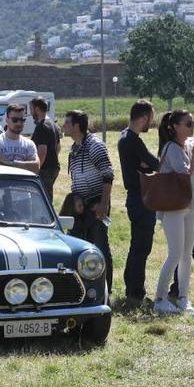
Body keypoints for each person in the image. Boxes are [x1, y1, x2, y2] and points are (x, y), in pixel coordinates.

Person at [152, 110, 194, 314]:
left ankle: (183, 297)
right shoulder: (171, 147)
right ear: (175, 127)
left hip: (189, 205)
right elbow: (184, 175)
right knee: (174, 253)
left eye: (192, 122)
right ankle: (159, 298)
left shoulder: (187, 146)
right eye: (188, 123)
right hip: (173, 206)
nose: (192, 126)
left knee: (186, 254)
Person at [64, 110, 115, 292]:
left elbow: (108, 175)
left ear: (77, 126)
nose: (64, 126)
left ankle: (104, 290)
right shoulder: (75, 148)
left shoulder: (95, 146)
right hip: (80, 206)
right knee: (79, 248)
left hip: (96, 204)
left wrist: (103, 204)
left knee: (99, 246)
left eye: (67, 123)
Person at [117, 99, 160, 304]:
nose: (150, 123)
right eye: (150, 119)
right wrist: (147, 166)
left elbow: (147, 163)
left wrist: (145, 166)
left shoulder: (125, 137)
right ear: (143, 117)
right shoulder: (132, 140)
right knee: (141, 247)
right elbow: (155, 163)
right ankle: (135, 293)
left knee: (137, 246)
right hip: (141, 198)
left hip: (136, 198)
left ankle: (133, 289)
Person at [169, 134, 194, 302]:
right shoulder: (171, 147)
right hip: (178, 205)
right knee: (179, 249)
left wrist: (193, 157)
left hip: (193, 205)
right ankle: (177, 288)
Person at [0, 103, 39, 173]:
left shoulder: (29, 144)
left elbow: (35, 168)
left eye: (22, 120)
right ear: (7, 120)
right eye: (15, 120)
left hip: (23, 183)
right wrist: (25, 165)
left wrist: (8, 162)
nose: (19, 123)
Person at [30, 96, 62, 202]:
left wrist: (36, 170)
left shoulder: (41, 127)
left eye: (32, 109)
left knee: (43, 201)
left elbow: (42, 151)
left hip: (44, 170)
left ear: (37, 110)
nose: (31, 113)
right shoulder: (53, 124)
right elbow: (58, 147)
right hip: (54, 167)